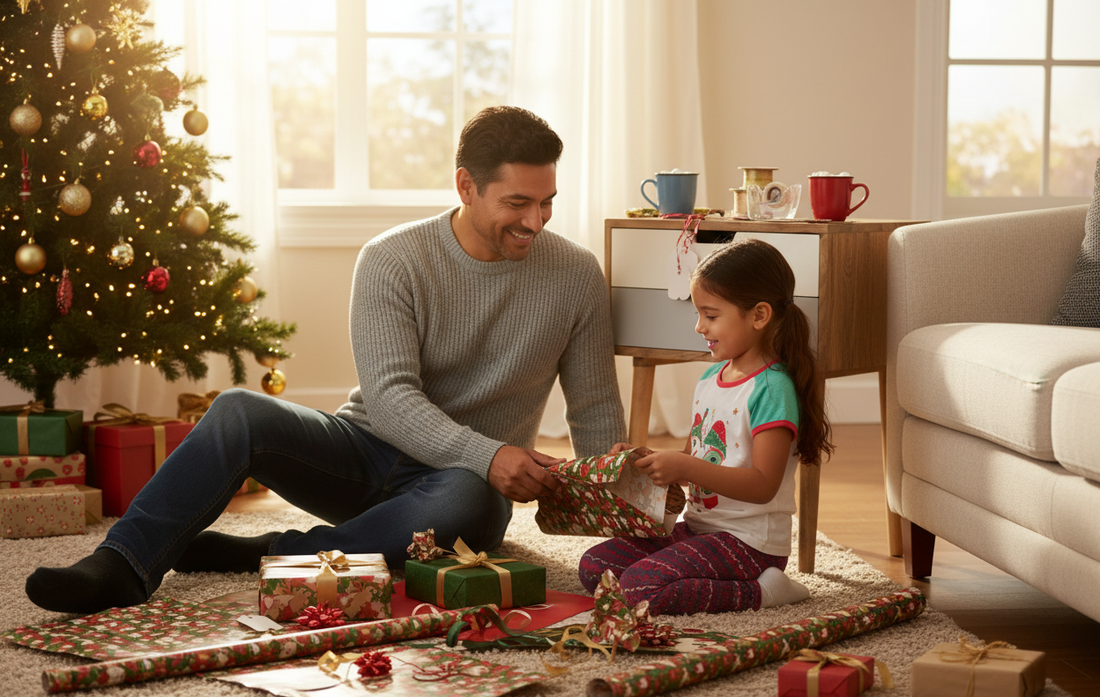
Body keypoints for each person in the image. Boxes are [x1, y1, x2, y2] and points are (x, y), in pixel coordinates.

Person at [27, 106, 627, 615]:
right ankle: (123, 563)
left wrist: (619, 512)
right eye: (518, 203)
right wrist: (490, 454)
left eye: (547, 202)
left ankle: (278, 552)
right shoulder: (393, 258)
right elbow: (390, 401)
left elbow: (595, 407)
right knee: (237, 410)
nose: (534, 221)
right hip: (364, 452)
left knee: (470, 500)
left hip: (459, 486)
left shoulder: (575, 275)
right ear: (466, 186)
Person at [578, 238, 833, 615]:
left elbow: (764, 484)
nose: (699, 326)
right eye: (698, 314)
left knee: (640, 587)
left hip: (749, 543)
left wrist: (685, 466)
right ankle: (709, 577)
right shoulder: (711, 379)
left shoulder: (771, 389)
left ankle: (764, 591)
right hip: (700, 529)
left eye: (711, 316)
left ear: (759, 315)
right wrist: (646, 460)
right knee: (594, 567)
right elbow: (693, 462)